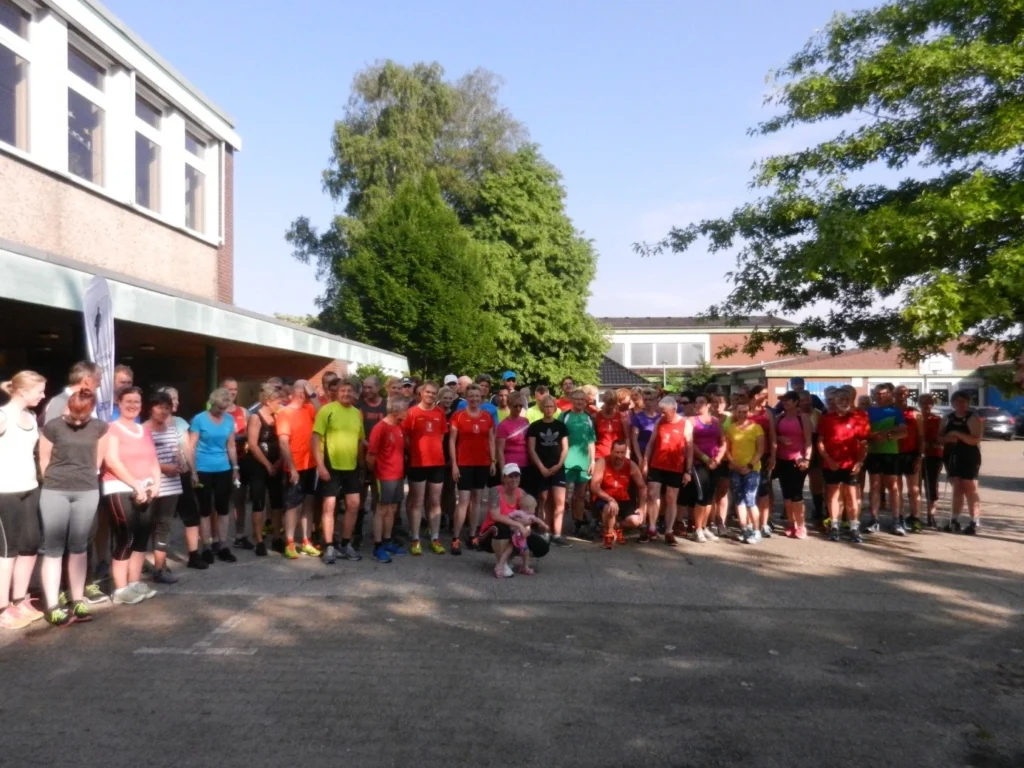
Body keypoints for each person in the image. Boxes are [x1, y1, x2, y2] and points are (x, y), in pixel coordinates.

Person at [38, 389, 109, 626]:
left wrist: (85, 478)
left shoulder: (100, 427)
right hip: (55, 489)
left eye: (84, 415)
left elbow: (98, 461)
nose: (78, 421)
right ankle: (52, 605)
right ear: (69, 406)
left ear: (92, 409)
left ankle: (78, 599)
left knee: (79, 546)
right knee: (53, 548)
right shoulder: (53, 427)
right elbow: (44, 460)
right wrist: (54, 481)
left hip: (86, 491)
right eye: (75, 415)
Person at [102, 387, 161, 605]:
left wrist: (156, 484)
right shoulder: (111, 428)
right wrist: (136, 485)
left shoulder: (143, 430)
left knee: (142, 538)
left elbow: (153, 460)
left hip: (146, 489)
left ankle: (135, 582)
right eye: (128, 401)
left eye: (137, 401)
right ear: (119, 402)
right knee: (126, 538)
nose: (133, 405)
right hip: (120, 488)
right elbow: (112, 461)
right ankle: (121, 588)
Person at [0, 371, 46, 629]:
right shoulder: (3, 416)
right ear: (21, 391)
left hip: (29, 488)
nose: (42, 396)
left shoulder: (30, 416)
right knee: (7, 551)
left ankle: (20, 600)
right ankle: (2, 607)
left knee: (29, 545)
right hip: (4, 493)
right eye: (38, 391)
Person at [313, 379, 366, 564]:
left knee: (353, 505)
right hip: (330, 466)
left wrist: (362, 465)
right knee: (329, 507)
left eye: (349, 391)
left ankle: (345, 543)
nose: (346, 394)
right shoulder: (326, 410)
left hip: (351, 467)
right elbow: (315, 439)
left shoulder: (357, 413)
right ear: (336, 392)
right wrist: (320, 465)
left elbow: (360, 441)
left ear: (354, 394)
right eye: (342, 391)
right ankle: (329, 546)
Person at [190, 387, 240, 564]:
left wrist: (235, 467)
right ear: (212, 403)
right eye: (219, 407)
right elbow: (191, 446)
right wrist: (193, 471)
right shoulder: (199, 419)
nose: (221, 411)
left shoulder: (229, 419)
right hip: (203, 468)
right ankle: (206, 546)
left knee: (223, 508)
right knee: (205, 509)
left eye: (224, 408)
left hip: (223, 468)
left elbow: (231, 445)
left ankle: (223, 545)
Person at [158, 387, 205, 569]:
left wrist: (193, 471)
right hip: (162, 476)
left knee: (191, 515)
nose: (176, 402)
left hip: (182, 474)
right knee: (163, 520)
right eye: (172, 398)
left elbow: (187, 447)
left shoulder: (180, 422)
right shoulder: (152, 424)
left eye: (177, 399)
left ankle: (194, 555)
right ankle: (160, 561)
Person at [276, 381, 322, 559]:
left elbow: (323, 413)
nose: (310, 394)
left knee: (308, 503)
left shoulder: (309, 409)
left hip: (310, 463)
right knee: (293, 505)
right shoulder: (285, 413)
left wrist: (313, 395)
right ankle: (289, 542)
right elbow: (283, 442)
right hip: (294, 466)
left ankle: (306, 539)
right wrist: (292, 467)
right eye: (307, 391)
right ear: (299, 392)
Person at [402, 382, 448, 555]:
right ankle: (415, 538)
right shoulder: (412, 412)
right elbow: (406, 438)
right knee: (417, 501)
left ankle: (435, 537)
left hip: (437, 463)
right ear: (421, 393)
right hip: (417, 463)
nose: (430, 395)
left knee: (435, 501)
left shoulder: (440, 413)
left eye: (433, 393)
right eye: (428, 392)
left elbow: (442, 436)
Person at [817, 388, 869, 544]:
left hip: (851, 464)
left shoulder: (857, 418)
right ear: (835, 401)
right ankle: (834, 526)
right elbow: (820, 441)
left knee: (852, 496)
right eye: (840, 400)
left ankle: (854, 527)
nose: (843, 402)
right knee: (833, 495)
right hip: (831, 464)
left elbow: (864, 443)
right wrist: (828, 459)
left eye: (846, 399)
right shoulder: (826, 419)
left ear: (851, 401)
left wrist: (859, 462)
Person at [479, 463, 549, 579]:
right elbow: (496, 516)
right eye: (510, 476)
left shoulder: (521, 492)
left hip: (515, 531)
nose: (514, 479)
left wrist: (526, 526)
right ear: (504, 478)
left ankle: (509, 558)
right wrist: (519, 524)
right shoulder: (494, 491)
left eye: (517, 476)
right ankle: (500, 563)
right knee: (502, 527)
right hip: (491, 532)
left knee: (542, 547)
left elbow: (528, 514)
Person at [449, 384, 496, 554]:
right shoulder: (458, 416)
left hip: (482, 463)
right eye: (471, 396)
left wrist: (493, 461)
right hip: (464, 463)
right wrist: (454, 464)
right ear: (466, 397)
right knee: (463, 502)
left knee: (477, 501)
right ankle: (455, 538)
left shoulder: (487, 416)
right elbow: (452, 441)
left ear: (481, 397)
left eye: (477, 396)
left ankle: (472, 535)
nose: (474, 399)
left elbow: (491, 440)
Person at [145, 390, 186, 584]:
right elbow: (141, 459)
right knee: (144, 527)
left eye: (167, 408)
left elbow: (176, 451)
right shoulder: (143, 429)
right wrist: (164, 467)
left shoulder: (170, 429)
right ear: (151, 408)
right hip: (151, 484)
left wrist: (181, 462)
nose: (163, 411)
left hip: (172, 485)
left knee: (164, 526)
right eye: (159, 407)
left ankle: (160, 568)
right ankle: (141, 565)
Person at [642, 397, 693, 546]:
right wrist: (645, 462)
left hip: (675, 466)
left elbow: (689, 449)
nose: (662, 415)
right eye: (661, 412)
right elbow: (651, 444)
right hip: (657, 464)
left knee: (671, 498)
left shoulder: (685, 424)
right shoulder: (660, 421)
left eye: (665, 412)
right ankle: (652, 527)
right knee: (652, 494)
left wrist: (688, 471)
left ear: (674, 409)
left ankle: (669, 531)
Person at [366, 398, 409, 563]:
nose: (407, 414)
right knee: (382, 509)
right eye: (405, 410)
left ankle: (387, 540)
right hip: (384, 476)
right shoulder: (380, 428)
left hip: (397, 475)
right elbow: (371, 456)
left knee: (392, 509)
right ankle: (377, 547)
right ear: (395, 411)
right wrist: (377, 472)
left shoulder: (398, 426)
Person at [246, 383, 285, 557]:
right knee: (258, 502)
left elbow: (285, 439)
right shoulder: (256, 417)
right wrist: (268, 465)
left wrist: (280, 460)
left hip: (277, 463)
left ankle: (277, 537)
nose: (280, 402)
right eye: (278, 399)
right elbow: (253, 445)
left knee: (277, 502)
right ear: (269, 401)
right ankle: (259, 540)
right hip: (258, 466)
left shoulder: (279, 416)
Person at [526, 396, 571, 547]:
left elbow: (565, 447)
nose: (549, 409)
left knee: (559, 501)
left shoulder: (561, 426)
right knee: (544, 499)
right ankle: (545, 531)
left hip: (557, 468)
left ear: (555, 408)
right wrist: (541, 467)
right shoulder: (535, 426)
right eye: (546, 406)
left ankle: (557, 534)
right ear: (541, 408)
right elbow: (531, 448)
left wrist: (559, 465)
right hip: (541, 468)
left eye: (551, 406)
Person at [864, 383, 907, 535]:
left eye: (883, 394)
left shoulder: (895, 411)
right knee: (875, 486)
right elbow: (863, 432)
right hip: (874, 452)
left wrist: (888, 435)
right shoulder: (868, 411)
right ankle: (874, 519)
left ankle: (896, 520)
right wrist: (872, 437)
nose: (880, 396)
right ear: (873, 395)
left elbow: (903, 432)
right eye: (877, 394)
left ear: (889, 394)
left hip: (891, 453)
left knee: (893, 487)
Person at [940, 390, 983, 534]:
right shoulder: (948, 418)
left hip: (969, 456)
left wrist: (957, 434)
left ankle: (974, 521)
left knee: (970, 488)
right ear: (952, 403)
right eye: (957, 401)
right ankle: (955, 520)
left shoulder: (972, 418)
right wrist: (948, 439)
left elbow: (975, 439)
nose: (960, 404)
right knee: (957, 488)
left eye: (963, 401)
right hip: (951, 456)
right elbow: (939, 438)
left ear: (968, 403)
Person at [590, 440, 647, 549]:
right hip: (605, 497)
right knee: (610, 508)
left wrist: (642, 507)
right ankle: (608, 535)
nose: (620, 456)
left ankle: (616, 526)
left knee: (636, 521)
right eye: (617, 452)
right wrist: (610, 499)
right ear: (611, 451)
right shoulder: (602, 462)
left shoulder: (630, 464)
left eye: (622, 452)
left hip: (623, 497)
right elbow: (594, 487)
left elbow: (642, 487)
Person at [725, 396, 765, 544]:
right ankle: (745, 529)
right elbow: (727, 449)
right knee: (739, 500)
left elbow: (760, 450)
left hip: (752, 469)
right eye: (739, 411)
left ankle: (756, 530)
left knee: (750, 499)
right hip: (735, 468)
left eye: (745, 411)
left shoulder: (756, 428)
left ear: (749, 412)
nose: (742, 414)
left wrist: (749, 466)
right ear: (735, 412)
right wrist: (733, 463)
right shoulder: (731, 428)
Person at [774, 391, 813, 538]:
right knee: (786, 495)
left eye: (788, 400)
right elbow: (772, 435)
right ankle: (791, 523)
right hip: (782, 460)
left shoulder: (803, 418)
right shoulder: (779, 418)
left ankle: (801, 525)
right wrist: (780, 438)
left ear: (796, 402)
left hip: (798, 461)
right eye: (783, 400)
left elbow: (809, 441)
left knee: (797, 494)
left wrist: (807, 459)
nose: (785, 403)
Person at [220, 378, 253, 551]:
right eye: (228, 389)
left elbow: (250, 433)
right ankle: (219, 538)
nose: (232, 392)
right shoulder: (215, 412)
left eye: (235, 389)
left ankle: (240, 535)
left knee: (240, 499)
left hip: (241, 461)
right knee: (221, 501)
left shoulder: (243, 412)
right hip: (221, 462)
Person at [688, 393, 726, 543]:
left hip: (715, 462)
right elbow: (690, 443)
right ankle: (696, 529)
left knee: (710, 497)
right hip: (699, 463)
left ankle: (704, 527)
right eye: (696, 402)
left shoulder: (716, 421)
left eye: (701, 402)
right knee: (702, 495)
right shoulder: (691, 421)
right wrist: (705, 458)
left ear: (709, 405)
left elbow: (723, 442)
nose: (697, 405)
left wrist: (717, 458)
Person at [356, 375, 388, 550]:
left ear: (378, 387)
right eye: (364, 387)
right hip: (361, 457)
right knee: (359, 496)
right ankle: (357, 532)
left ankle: (379, 534)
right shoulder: (359, 405)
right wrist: (366, 444)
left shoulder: (386, 406)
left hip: (381, 459)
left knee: (378, 497)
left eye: (370, 388)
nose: (366, 391)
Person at [562, 390, 597, 539]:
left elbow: (591, 441)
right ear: (572, 400)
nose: (580, 402)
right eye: (577, 399)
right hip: (566, 461)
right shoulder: (564, 416)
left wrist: (593, 461)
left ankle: (578, 522)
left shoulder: (588, 417)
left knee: (580, 495)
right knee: (563, 496)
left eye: (582, 400)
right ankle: (559, 525)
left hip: (583, 462)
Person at [894, 385, 925, 532]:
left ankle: (916, 517)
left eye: (904, 393)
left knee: (914, 489)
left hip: (911, 454)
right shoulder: (890, 411)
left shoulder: (915, 413)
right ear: (894, 395)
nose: (901, 396)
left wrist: (920, 456)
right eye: (898, 393)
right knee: (896, 488)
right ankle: (899, 516)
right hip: (893, 454)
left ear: (908, 395)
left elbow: (921, 437)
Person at [748, 385, 777, 539]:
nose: (766, 397)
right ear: (754, 395)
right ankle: (750, 523)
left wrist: (773, 456)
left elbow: (772, 436)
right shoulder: (744, 412)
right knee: (748, 490)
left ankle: (765, 522)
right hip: (746, 456)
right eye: (763, 394)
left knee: (764, 489)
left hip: (764, 456)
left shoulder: (767, 414)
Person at [920, 394, 944, 528]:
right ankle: (915, 513)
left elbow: (942, 437)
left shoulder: (938, 420)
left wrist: (934, 443)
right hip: (918, 455)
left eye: (929, 403)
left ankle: (931, 514)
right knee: (916, 485)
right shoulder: (917, 418)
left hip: (934, 455)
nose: (926, 405)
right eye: (923, 403)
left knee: (932, 484)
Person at [629, 388, 660, 474]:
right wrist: (640, 458)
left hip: (658, 454)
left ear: (656, 400)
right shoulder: (637, 417)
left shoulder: (661, 417)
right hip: (642, 452)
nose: (648, 402)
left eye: (650, 399)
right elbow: (634, 440)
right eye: (645, 400)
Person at [594, 391, 630, 461]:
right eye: (608, 404)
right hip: (600, 454)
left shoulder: (621, 417)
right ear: (604, 402)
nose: (610, 406)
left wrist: (627, 453)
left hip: (618, 454)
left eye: (612, 404)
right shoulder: (596, 417)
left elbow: (627, 437)